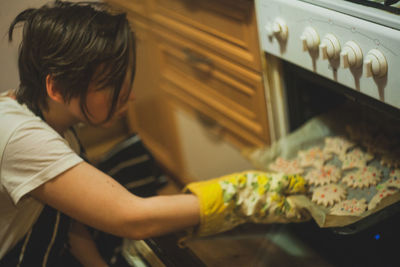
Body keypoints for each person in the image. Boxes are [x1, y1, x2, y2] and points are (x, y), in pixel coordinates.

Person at [0, 1, 309, 266]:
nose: (129, 96)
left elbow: (69, 218)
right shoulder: (18, 135)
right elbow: (132, 217)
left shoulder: (52, 119)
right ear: (56, 87)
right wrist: (241, 194)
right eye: (109, 84)